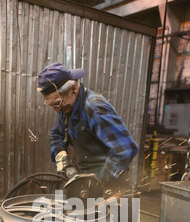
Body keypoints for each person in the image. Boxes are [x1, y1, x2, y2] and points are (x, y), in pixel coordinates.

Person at [37, 62, 138, 193]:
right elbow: (57, 135)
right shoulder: (67, 108)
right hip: (88, 185)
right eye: (51, 105)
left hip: (113, 188)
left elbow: (125, 149)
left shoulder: (94, 109)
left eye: (58, 103)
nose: (57, 110)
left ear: (73, 89)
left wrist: (97, 183)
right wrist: (64, 161)